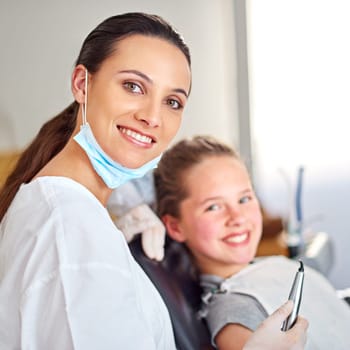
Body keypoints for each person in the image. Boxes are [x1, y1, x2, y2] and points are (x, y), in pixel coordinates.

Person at [0, 12, 307, 350]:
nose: (152, 117)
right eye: (133, 86)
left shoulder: (72, 213)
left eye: (172, 102)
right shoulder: (72, 230)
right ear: (81, 84)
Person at [154, 135, 350, 350]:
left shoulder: (269, 266)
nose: (238, 217)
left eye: (244, 199)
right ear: (175, 227)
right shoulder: (233, 309)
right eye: (213, 207)